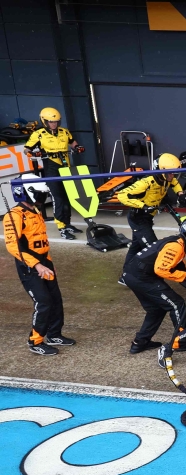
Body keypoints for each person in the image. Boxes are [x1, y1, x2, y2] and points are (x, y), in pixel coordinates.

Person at [3, 174, 74, 355]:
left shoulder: (35, 211)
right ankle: (35, 341)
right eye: (39, 193)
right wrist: (37, 265)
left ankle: (54, 334)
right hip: (28, 265)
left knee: (55, 299)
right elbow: (13, 246)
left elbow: (41, 241)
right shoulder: (14, 215)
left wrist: (48, 262)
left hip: (44, 261)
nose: (42, 197)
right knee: (43, 302)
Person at [122, 215, 186, 356]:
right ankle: (183, 341)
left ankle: (140, 342)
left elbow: (180, 267)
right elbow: (161, 270)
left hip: (133, 275)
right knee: (177, 304)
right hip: (141, 277)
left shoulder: (178, 242)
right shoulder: (175, 246)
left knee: (156, 309)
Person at [24, 107, 84, 240]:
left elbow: (72, 142)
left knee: (68, 197)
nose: (54, 124)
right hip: (51, 169)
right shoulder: (38, 134)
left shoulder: (64, 132)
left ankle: (67, 224)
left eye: (56, 121)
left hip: (66, 168)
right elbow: (26, 150)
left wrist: (77, 147)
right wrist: (33, 153)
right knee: (58, 198)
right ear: (44, 121)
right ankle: (61, 227)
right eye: (51, 122)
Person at [116, 153, 184, 270]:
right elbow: (122, 195)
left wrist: (180, 193)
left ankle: (126, 274)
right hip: (138, 218)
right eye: (170, 173)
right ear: (161, 171)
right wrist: (143, 206)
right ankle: (149, 274)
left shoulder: (166, 178)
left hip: (147, 218)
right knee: (153, 248)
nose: (172, 176)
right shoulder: (145, 183)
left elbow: (174, 183)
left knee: (136, 246)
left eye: (174, 173)